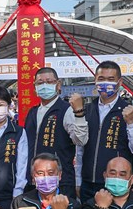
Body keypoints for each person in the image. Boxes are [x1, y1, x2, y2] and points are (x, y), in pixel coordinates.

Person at [77, 61, 133, 202]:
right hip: (88, 182)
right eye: (101, 79)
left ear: (119, 82)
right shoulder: (87, 110)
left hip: (116, 184)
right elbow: (79, 149)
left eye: (111, 79)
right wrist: (78, 180)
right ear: (95, 81)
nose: (105, 83)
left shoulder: (130, 112)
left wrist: (131, 123)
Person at [23, 68, 88, 200]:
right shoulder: (33, 112)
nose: (44, 85)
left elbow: (81, 140)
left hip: (59, 181)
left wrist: (79, 114)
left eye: (49, 81)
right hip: (35, 180)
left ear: (58, 85)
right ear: (35, 86)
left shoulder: (66, 110)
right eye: (40, 83)